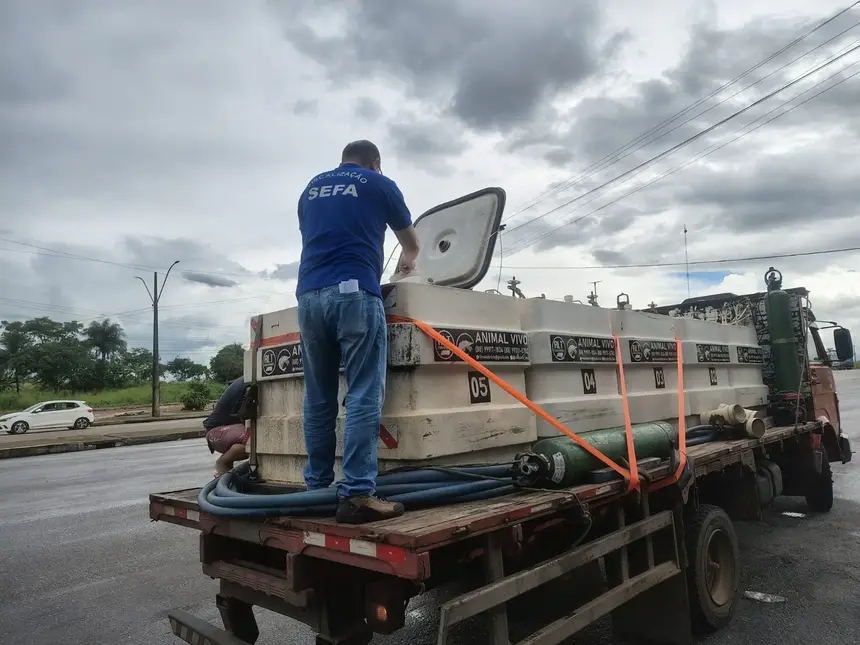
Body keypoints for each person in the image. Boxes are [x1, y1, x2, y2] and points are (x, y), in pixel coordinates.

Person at [296, 140, 420, 524]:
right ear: (375, 162)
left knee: (318, 397)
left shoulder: (311, 188)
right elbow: (411, 242)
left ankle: (316, 490)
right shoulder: (379, 183)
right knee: (364, 392)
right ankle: (357, 493)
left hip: (309, 296)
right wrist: (407, 263)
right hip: (354, 293)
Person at [204, 377, 248, 476]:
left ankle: (228, 477)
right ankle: (223, 462)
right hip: (216, 431)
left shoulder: (249, 378)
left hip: (229, 429)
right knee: (256, 441)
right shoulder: (250, 380)